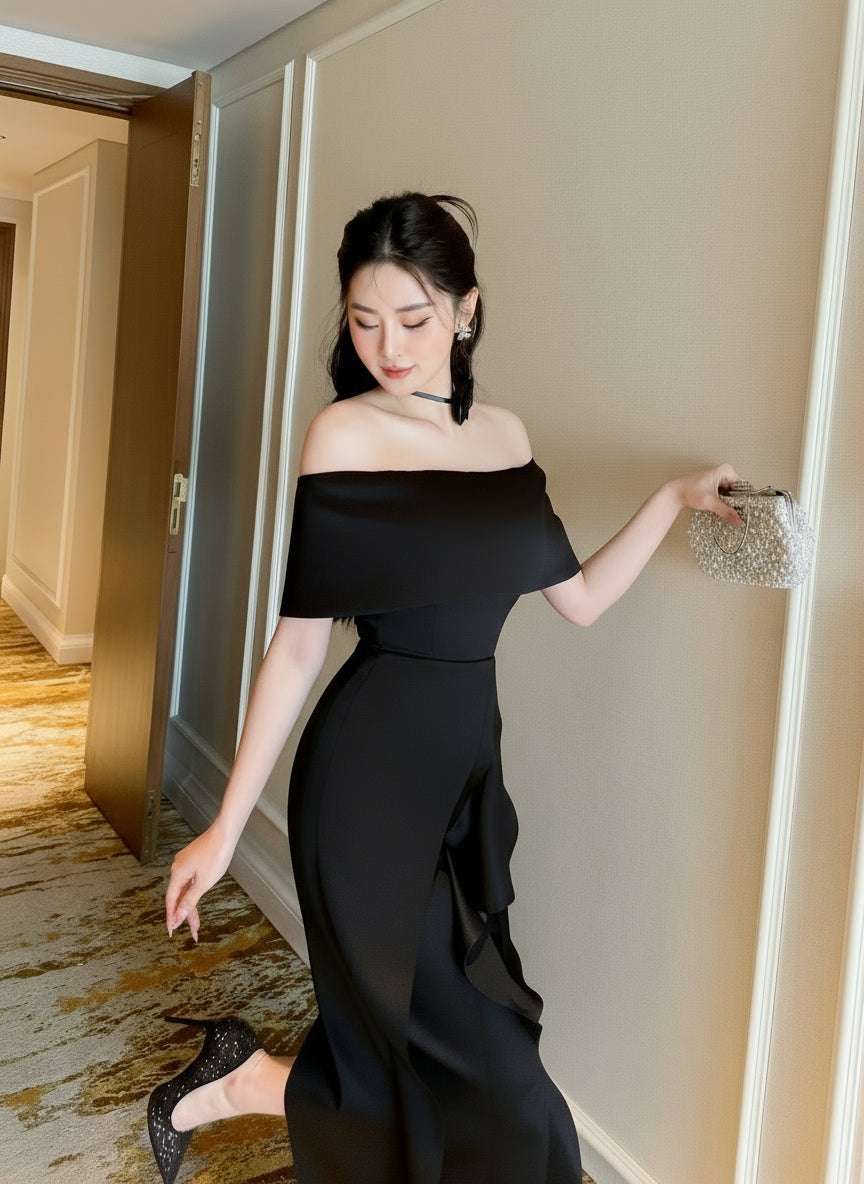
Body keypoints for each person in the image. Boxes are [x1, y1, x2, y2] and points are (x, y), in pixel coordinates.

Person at [147, 192, 741, 1184]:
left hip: (465, 779)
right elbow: (296, 649)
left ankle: (240, 1077)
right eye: (365, 320)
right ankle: (243, 1080)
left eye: (414, 320)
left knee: (456, 1056)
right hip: (365, 783)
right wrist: (222, 822)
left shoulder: (506, 437)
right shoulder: (342, 433)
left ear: (467, 310)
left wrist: (673, 500)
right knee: (486, 1072)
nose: (389, 345)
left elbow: (582, 597)